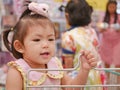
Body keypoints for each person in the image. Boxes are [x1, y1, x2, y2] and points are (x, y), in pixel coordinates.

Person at [3, 2, 97, 90]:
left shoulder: (54, 64)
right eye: (37, 40)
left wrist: (84, 70)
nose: (46, 45)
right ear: (20, 46)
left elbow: (72, 87)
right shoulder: (18, 71)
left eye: (51, 39)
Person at [61, 0, 106, 89]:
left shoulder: (68, 37)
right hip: (96, 76)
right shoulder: (92, 31)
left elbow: (68, 65)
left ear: (67, 16)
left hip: (79, 80)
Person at [97, 0, 120, 85]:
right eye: (110, 7)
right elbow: (99, 29)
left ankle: (118, 82)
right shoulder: (103, 16)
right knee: (107, 62)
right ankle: (108, 80)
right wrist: (103, 27)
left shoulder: (118, 16)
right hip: (106, 43)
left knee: (118, 62)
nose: (112, 9)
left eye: (113, 7)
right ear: (107, 7)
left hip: (117, 43)